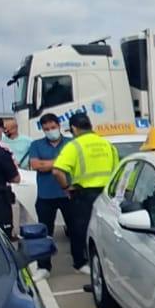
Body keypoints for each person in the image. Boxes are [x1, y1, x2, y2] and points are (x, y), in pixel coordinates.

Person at [50, 112, 119, 277]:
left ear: (73, 128)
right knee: (107, 230)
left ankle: (80, 263)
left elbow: (57, 171)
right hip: (106, 195)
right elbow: (118, 172)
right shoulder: (107, 144)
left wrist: (66, 187)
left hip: (83, 195)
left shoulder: (74, 146)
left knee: (80, 230)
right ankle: (105, 261)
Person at [23, 113, 71, 278]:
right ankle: (44, 267)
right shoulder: (36, 144)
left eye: (53, 127)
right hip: (45, 195)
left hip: (68, 192)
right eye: (46, 129)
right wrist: (61, 161)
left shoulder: (70, 143)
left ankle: (81, 261)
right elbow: (36, 165)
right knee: (45, 233)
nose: (50, 131)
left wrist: (47, 163)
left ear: (59, 125)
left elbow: (74, 163)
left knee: (76, 230)